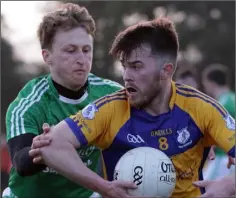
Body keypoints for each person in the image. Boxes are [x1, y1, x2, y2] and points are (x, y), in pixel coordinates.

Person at [29, 17, 235, 198]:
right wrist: (106, 188)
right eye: (124, 66)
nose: (126, 75)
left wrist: (228, 184)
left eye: (136, 66)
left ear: (166, 70)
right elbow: (50, 146)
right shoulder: (110, 109)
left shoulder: (201, 108)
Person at [4, 3, 123, 198]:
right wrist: (39, 151)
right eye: (70, 50)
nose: (81, 59)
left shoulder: (112, 95)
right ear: (47, 56)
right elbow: (21, 163)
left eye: (86, 50)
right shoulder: (28, 103)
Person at [202, 64, 235, 181]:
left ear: (211, 83)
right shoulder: (232, 98)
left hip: (223, 160)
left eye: (205, 83)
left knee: (203, 190)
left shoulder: (221, 105)